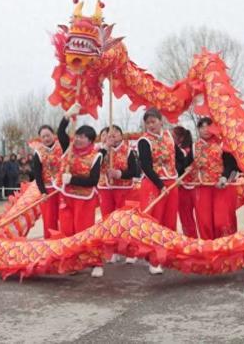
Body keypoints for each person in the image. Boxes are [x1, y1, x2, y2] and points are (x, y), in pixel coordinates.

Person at [54, 103, 104, 277]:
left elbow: (93, 180)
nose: (79, 139)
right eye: (78, 136)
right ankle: (73, 262)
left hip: (85, 199)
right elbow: (61, 132)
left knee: (85, 232)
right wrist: (67, 116)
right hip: (67, 197)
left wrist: (73, 179)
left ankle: (96, 262)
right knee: (68, 231)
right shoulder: (68, 149)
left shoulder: (96, 156)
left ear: (90, 140)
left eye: (83, 137)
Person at [137, 108, 184, 275]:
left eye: (153, 122)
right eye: (148, 123)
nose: (151, 125)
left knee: (169, 220)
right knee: (153, 221)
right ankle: (153, 259)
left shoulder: (169, 136)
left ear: (160, 121)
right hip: (153, 184)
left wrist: (184, 169)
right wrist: (160, 184)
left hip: (171, 182)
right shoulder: (144, 141)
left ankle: (169, 255)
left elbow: (179, 157)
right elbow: (146, 166)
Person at [188, 117, 239, 239]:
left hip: (221, 187)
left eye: (208, 126)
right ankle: (209, 250)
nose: (205, 129)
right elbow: (185, 164)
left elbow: (231, 164)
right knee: (204, 221)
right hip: (202, 188)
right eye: (202, 127)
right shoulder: (195, 147)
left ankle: (226, 247)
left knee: (222, 221)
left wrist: (224, 178)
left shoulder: (222, 144)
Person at [97, 124, 140, 268]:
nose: (112, 135)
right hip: (105, 188)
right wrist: (105, 148)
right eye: (108, 133)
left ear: (121, 135)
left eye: (116, 133)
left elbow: (135, 171)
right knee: (108, 220)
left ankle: (130, 251)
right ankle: (112, 251)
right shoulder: (100, 151)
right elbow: (93, 166)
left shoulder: (128, 151)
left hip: (124, 188)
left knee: (125, 220)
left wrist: (119, 174)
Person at [31, 125, 64, 239]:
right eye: (43, 136)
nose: (46, 138)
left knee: (64, 217)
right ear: (40, 138)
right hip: (48, 191)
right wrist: (43, 192)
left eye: (48, 135)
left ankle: (65, 243)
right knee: (49, 219)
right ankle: (50, 244)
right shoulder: (38, 153)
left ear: (53, 135)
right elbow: (37, 175)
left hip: (63, 189)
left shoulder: (62, 147)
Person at [173, 126, 197, 239]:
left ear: (180, 138)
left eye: (173, 136)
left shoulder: (181, 151)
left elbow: (179, 168)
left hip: (184, 187)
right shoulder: (191, 148)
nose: (171, 138)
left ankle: (191, 240)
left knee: (186, 217)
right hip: (195, 185)